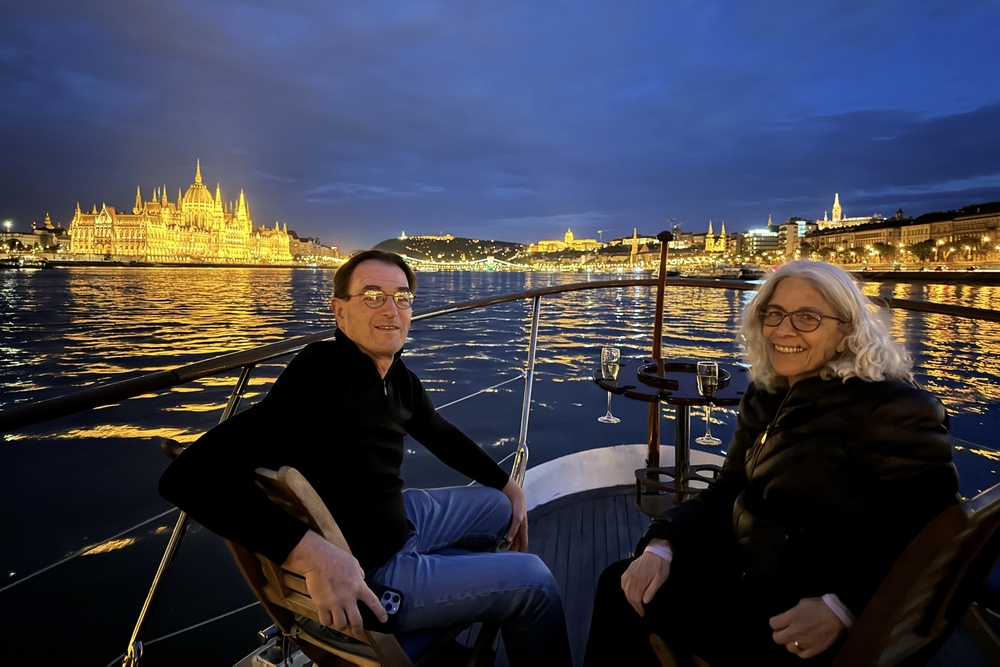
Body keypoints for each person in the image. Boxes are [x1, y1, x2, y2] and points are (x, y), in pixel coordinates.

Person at [160, 249, 571, 666]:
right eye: (372, 295)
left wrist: (508, 485)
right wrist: (314, 556)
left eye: (402, 297)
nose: (391, 309)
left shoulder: (394, 376)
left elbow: (439, 433)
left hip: (395, 524)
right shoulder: (320, 379)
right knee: (534, 581)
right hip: (372, 572)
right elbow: (186, 476)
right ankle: (475, 603)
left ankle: (467, 607)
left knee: (501, 507)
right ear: (340, 312)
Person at [584, 260, 960, 666]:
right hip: (750, 571)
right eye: (774, 313)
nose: (784, 329)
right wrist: (663, 541)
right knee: (623, 581)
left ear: (846, 332)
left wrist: (842, 606)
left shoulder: (891, 408)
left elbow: (935, 534)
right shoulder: (767, 396)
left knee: (623, 599)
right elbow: (726, 490)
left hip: (804, 608)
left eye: (808, 317)